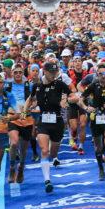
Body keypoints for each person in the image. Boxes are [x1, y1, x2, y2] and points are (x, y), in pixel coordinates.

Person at [24, 61, 69, 192]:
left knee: (53, 151)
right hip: (43, 120)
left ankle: (55, 157)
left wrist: (66, 100)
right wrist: (24, 111)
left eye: (55, 72)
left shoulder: (60, 84)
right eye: (51, 72)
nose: (54, 75)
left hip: (57, 121)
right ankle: (47, 180)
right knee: (44, 150)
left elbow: (71, 94)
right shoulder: (37, 86)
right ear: (45, 71)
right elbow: (30, 99)